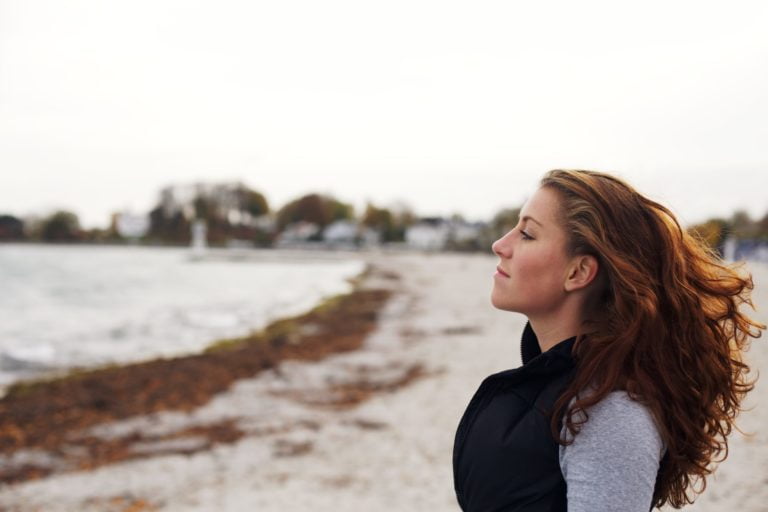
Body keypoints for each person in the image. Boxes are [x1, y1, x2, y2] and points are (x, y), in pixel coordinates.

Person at [453, 169, 765, 512]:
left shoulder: (610, 412)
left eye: (527, 234)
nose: (500, 245)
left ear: (579, 273)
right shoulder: (564, 385)